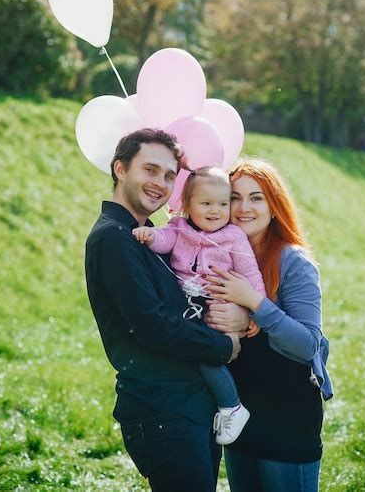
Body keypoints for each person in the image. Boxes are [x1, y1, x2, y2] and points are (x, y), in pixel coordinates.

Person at [85, 129, 248, 492]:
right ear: (121, 169)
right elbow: (153, 325)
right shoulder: (113, 238)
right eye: (150, 170)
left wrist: (241, 315)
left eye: (170, 175)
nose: (160, 183)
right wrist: (223, 347)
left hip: (189, 406)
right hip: (162, 411)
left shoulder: (146, 235)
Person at [204, 158, 333, 492]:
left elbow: (308, 345)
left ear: (274, 206)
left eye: (256, 197)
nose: (244, 207)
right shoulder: (220, 255)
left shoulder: (293, 261)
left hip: (287, 420)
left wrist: (254, 305)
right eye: (234, 197)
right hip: (241, 417)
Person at [133, 166, 266, 445]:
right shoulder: (179, 229)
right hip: (189, 308)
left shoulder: (233, 237)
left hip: (221, 310)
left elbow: (251, 273)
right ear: (187, 205)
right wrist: (151, 236)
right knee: (191, 353)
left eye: (222, 203)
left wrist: (258, 310)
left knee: (209, 356)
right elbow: (164, 240)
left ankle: (232, 406)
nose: (215, 210)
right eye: (206, 203)